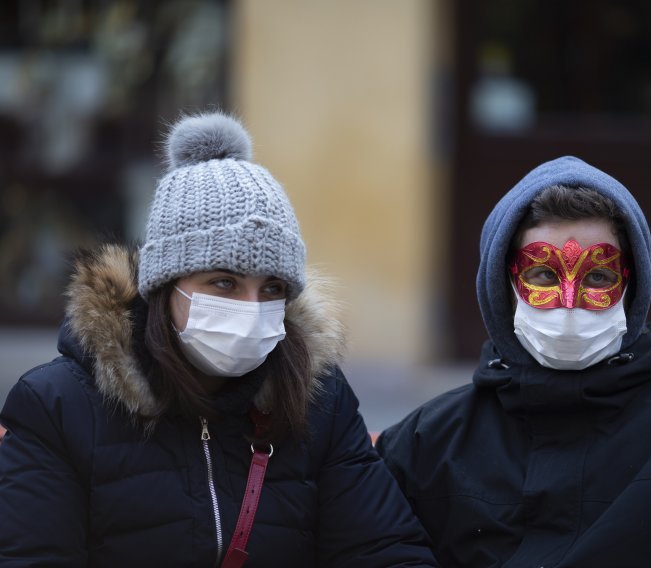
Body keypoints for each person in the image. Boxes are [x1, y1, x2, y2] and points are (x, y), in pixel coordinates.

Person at [0, 112, 438, 567]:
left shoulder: (320, 401)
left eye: (272, 289)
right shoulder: (59, 406)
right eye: (224, 283)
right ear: (164, 287)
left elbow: (385, 550)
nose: (251, 308)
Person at [376, 156, 651, 567]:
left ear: (632, 287)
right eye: (542, 274)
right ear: (501, 286)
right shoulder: (424, 445)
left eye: (599, 276)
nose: (569, 303)